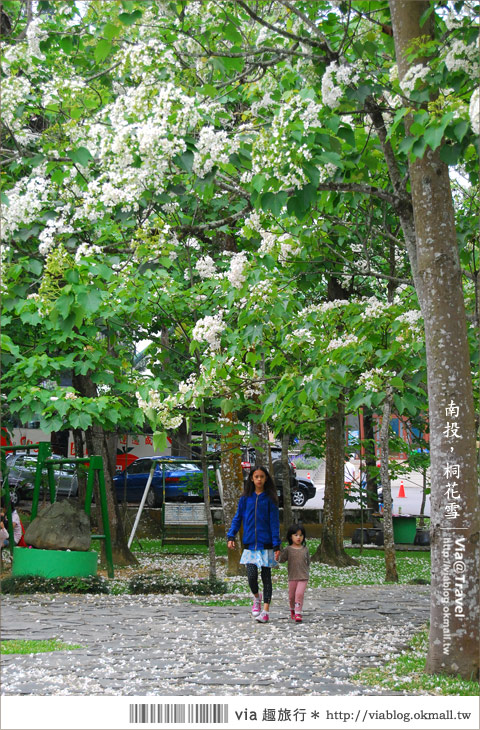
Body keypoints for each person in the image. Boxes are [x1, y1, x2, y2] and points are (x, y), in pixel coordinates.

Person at [227, 465, 281, 623]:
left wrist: (277, 545)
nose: (259, 479)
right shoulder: (245, 499)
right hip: (250, 545)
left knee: (266, 578)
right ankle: (257, 598)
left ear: (266, 479)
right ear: (251, 478)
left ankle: (265, 611)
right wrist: (231, 536)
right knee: (251, 576)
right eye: (256, 476)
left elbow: (274, 523)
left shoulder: (270, 499)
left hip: (266, 545)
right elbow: (238, 518)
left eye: (262, 477)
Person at [278, 524, 311, 623]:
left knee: (299, 594)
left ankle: (298, 613)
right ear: (290, 536)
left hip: (303, 576)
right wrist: (278, 553)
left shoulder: (305, 549)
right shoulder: (288, 549)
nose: (298, 537)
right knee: (292, 596)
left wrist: (306, 570)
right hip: (292, 576)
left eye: (301, 535)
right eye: (296, 535)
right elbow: (282, 560)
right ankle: (292, 610)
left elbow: (308, 561)